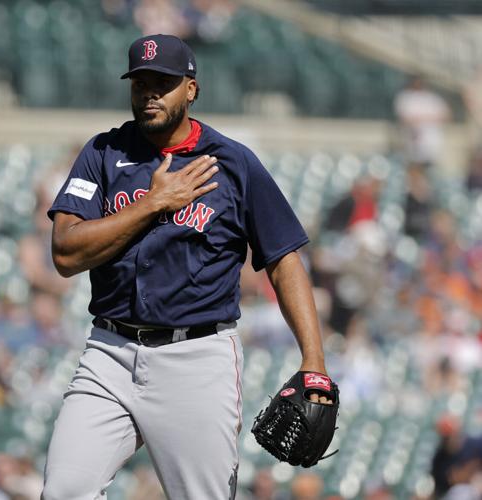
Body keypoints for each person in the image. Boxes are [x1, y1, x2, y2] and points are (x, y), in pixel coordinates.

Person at [41, 34, 333, 499]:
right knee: (63, 491)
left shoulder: (233, 164)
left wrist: (313, 360)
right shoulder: (102, 153)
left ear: (191, 89)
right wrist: (154, 203)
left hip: (195, 358)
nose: (151, 93)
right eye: (141, 83)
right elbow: (66, 254)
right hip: (109, 352)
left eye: (164, 82)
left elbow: (284, 260)